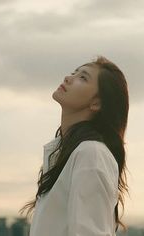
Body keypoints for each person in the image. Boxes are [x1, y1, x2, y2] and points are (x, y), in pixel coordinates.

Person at [19, 55, 130, 236]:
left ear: (96, 103)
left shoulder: (91, 153)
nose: (68, 78)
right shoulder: (63, 152)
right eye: (73, 73)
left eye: (83, 77)